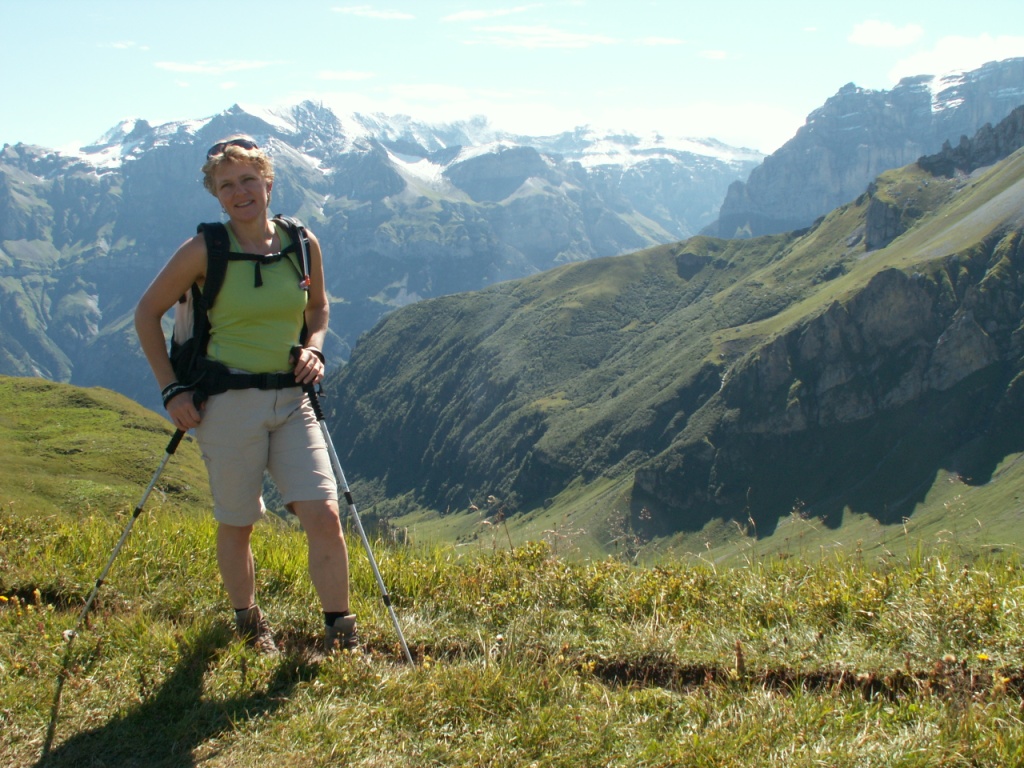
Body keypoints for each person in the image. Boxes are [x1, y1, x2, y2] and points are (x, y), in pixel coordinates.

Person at [134, 135, 357, 655]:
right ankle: (249, 624)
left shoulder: (302, 243)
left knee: (324, 515)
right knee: (239, 522)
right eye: (227, 185)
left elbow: (318, 308)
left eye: (248, 180)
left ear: (268, 183)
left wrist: (315, 349)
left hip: (292, 398)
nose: (240, 193)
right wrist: (171, 390)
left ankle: (341, 634)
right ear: (215, 194)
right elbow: (146, 313)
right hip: (226, 403)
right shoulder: (202, 251)